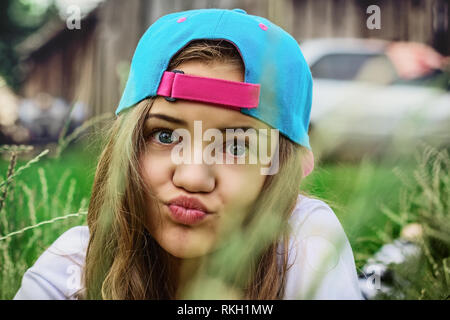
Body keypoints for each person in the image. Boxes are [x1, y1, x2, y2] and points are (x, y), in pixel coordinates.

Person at [14, 8, 363, 300]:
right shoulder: (72, 272)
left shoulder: (308, 246)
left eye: (238, 146)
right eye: (165, 135)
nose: (193, 177)